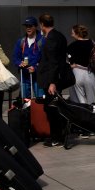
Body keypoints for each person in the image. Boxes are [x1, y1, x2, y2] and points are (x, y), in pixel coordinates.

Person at [36, 13, 70, 147]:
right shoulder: (59, 35)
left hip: (52, 80)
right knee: (54, 107)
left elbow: (53, 62)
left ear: (42, 25)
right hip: (57, 78)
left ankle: (57, 137)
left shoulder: (51, 39)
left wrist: (52, 82)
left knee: (51, 108)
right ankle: (59, 134)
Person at [67, 24, 95, 104]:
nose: (71, 35)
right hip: (90, 73)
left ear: (77, 34)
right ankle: (93, 114)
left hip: (77, 73)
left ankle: (82, 115)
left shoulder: (72, 46)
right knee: (92, 102)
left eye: (72, 33)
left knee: (80, 101)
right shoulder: (93, 43)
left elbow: (70, 63)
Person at [12, 16, 45, 99]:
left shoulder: (42, 41)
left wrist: (36, 67)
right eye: (26, 26)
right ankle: (27, 112)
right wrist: (20, 63)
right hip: (25, 77)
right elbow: (15, 57)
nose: (28, 28)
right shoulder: (21, 41)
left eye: (30, 26)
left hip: (38, 77)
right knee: (25, 100)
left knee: (40, 100)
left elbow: (45, 59)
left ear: (35, 26)